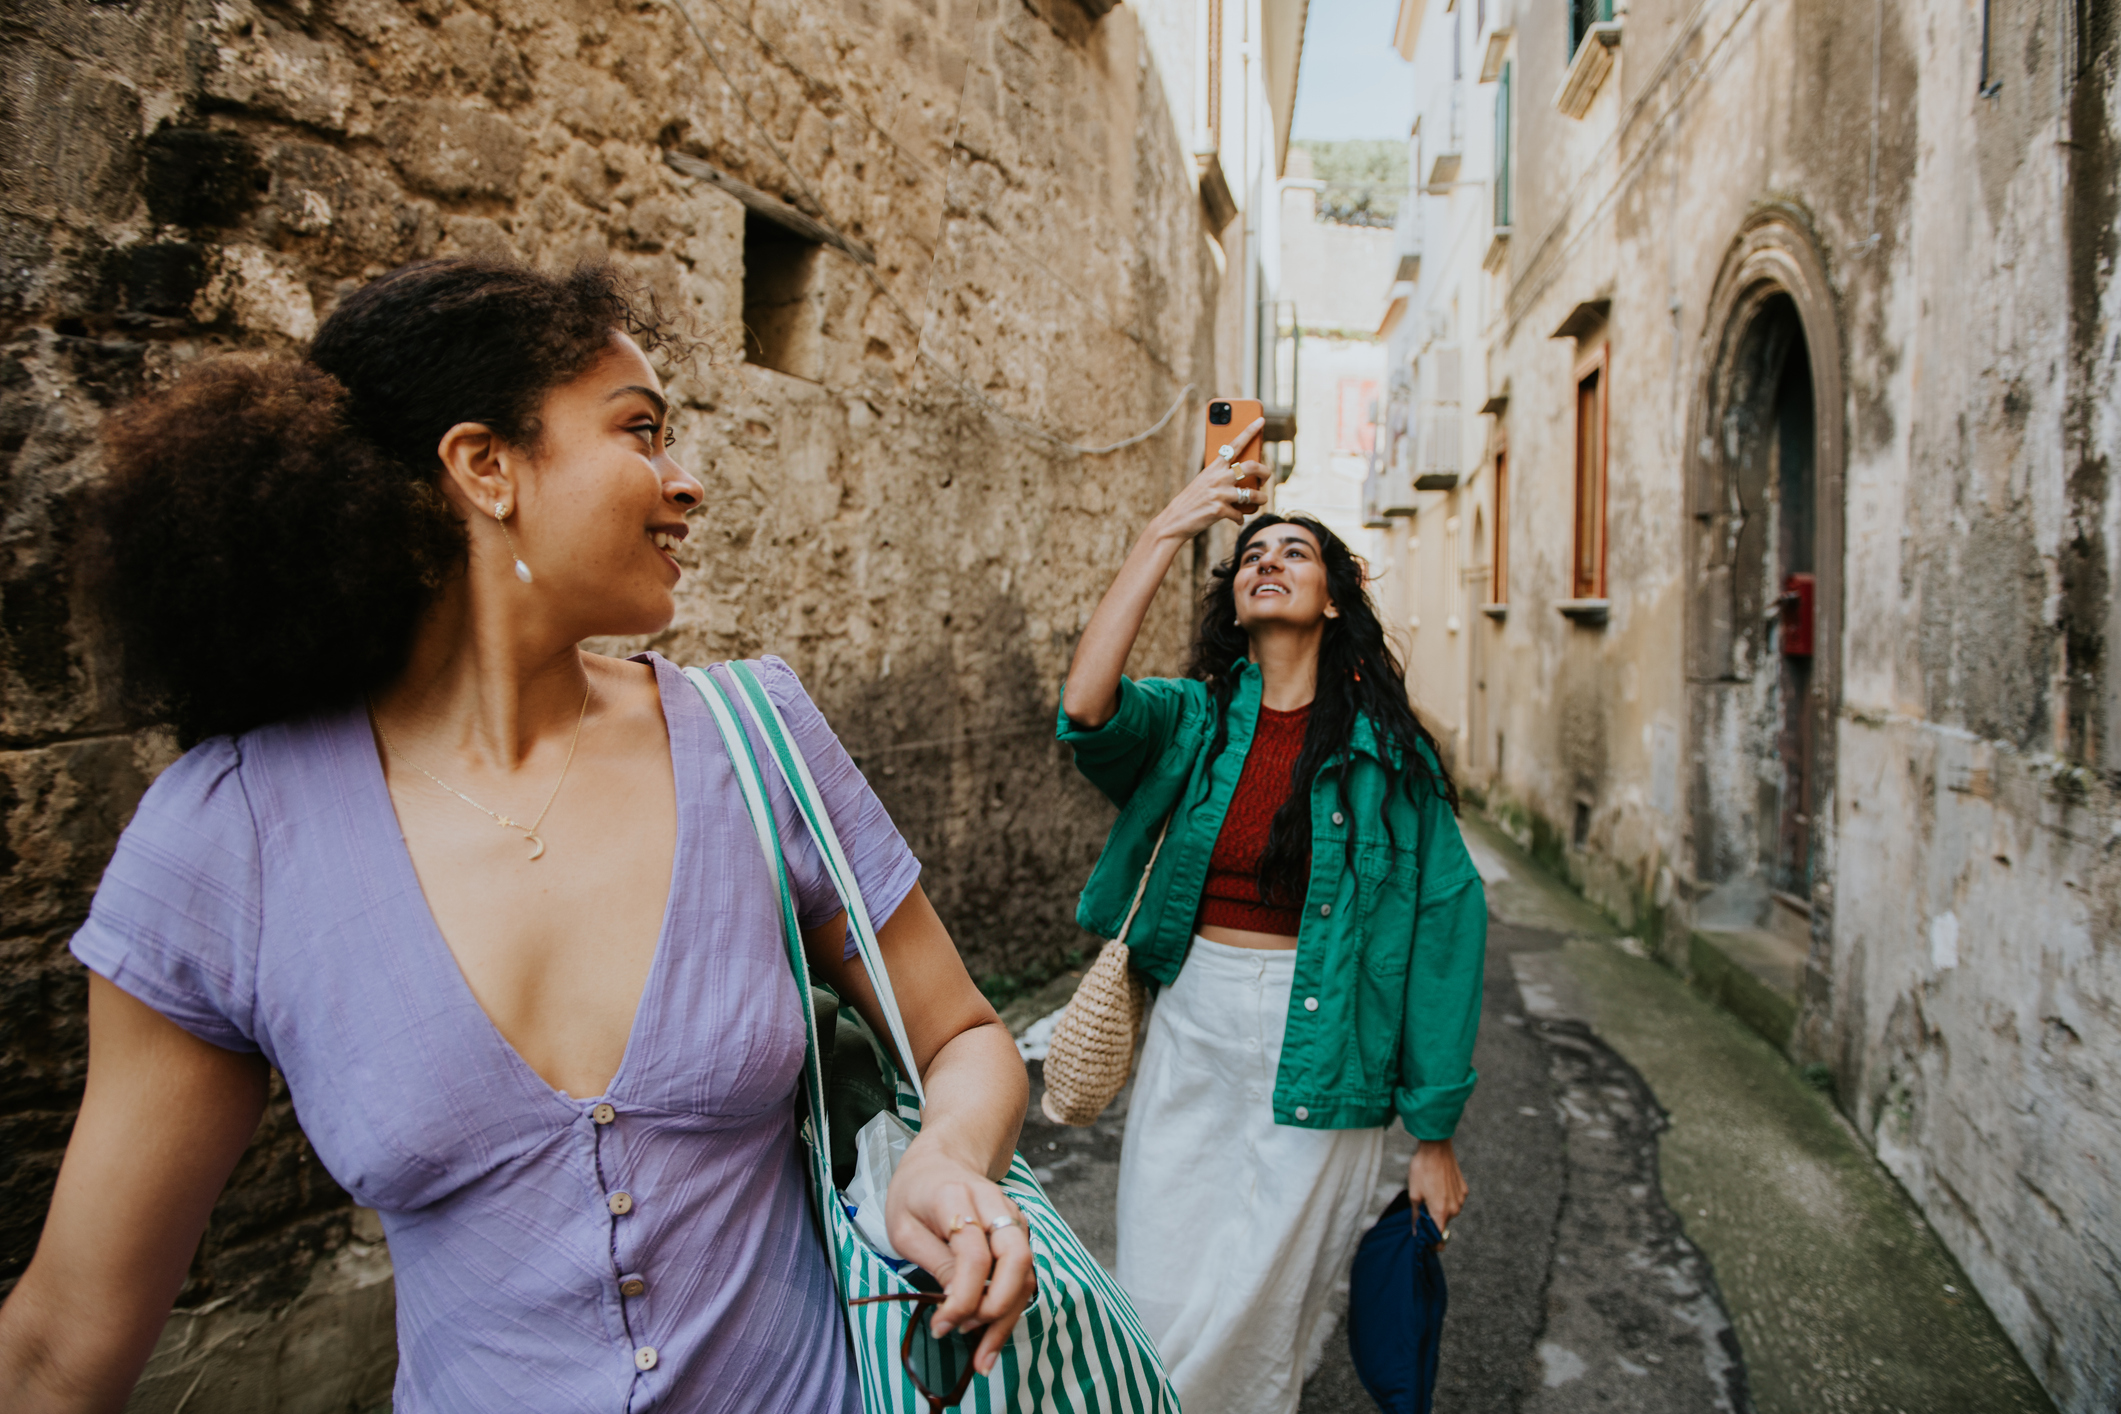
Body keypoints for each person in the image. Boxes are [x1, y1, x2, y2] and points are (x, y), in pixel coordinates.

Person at [0, 259, 1034, 1413]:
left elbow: (962, 1037)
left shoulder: (758, 741)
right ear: (486, 466)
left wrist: (946, 1158)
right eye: (639, 429)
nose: (683, 482)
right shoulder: (228, 837)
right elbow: (60, 1343)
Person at [1056, 425, 1485, 1414]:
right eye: (1254, 553)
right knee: (1156, 1292)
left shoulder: (1391, 758)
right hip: (1197, 1022)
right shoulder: (1194, 720)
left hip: (1332, 1048)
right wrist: (1175, 523)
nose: (1269, 562)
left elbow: (1445, 933)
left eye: (1295, 552)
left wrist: (1434, 1132)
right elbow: (1085, 706)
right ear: (1237, 597)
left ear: (1332, 597)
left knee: (1260, 1315)